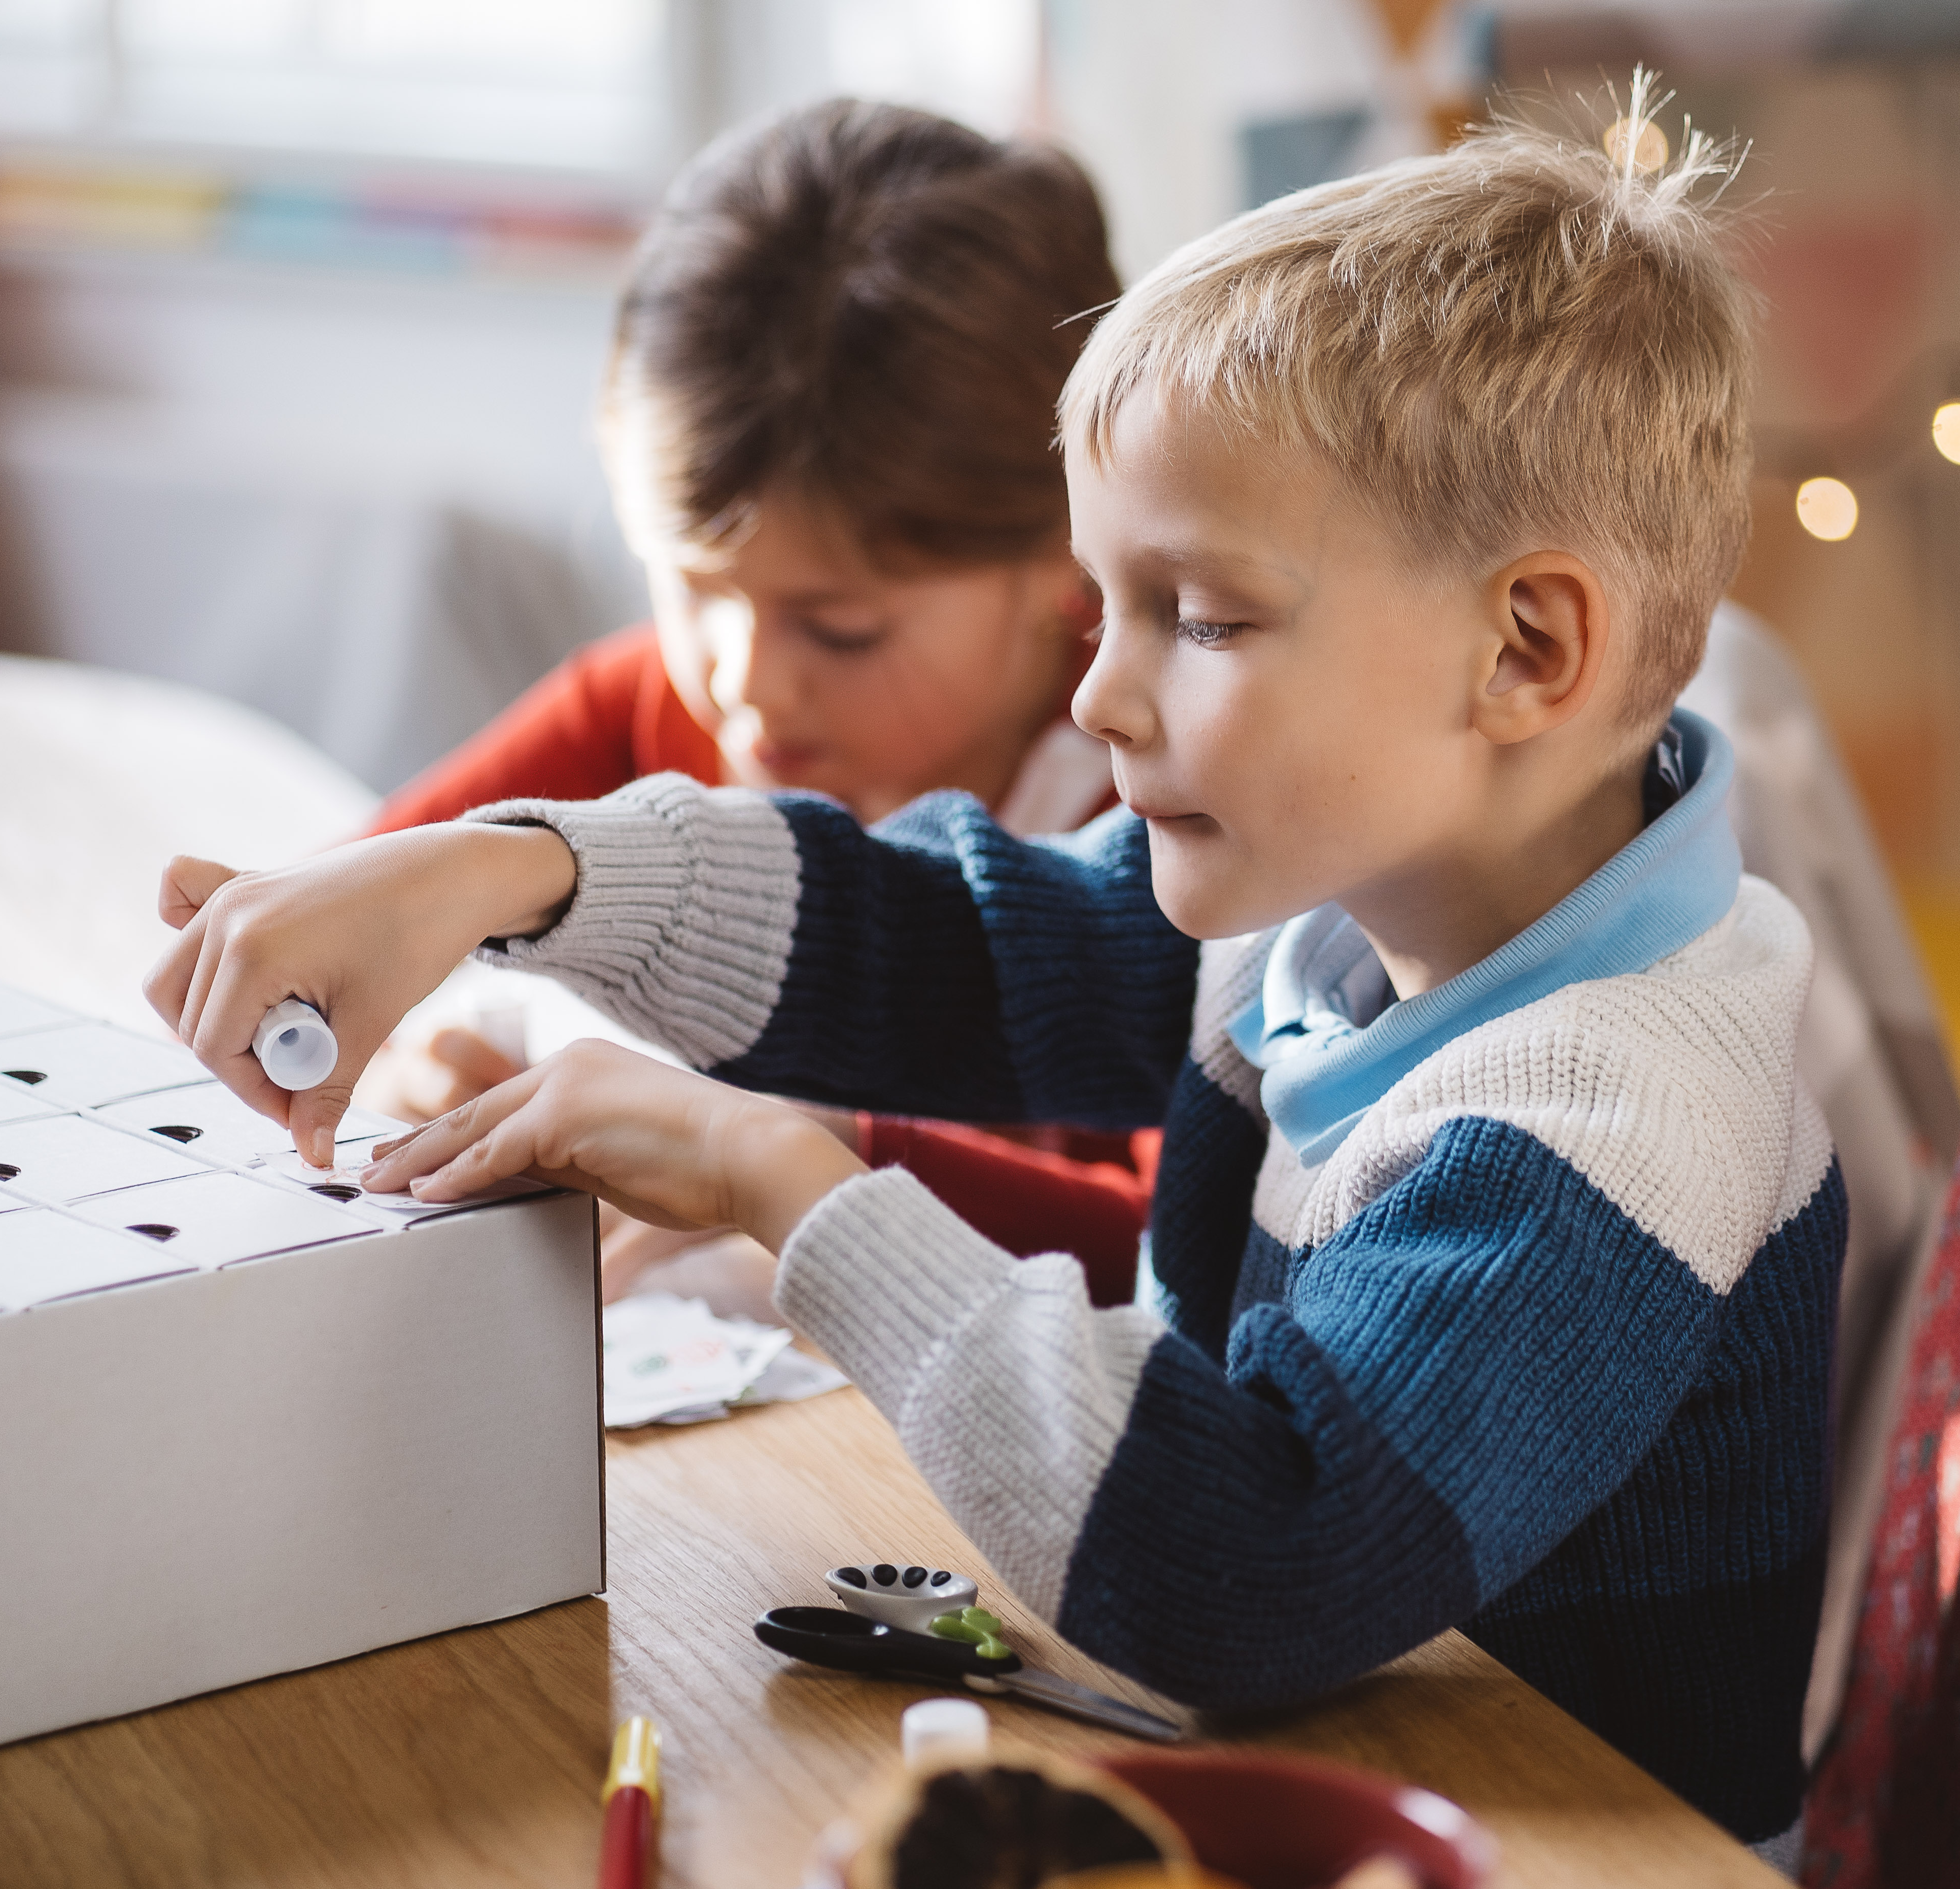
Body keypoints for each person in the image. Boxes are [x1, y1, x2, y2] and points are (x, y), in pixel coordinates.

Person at [149, 107, 1843, 1862]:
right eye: (1101, 605)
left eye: (1193, 615)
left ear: (1522, 652)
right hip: (1339, 1770)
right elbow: (948, 944)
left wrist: (777, 1181)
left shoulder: (1610, 1125)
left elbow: (1251, 1557)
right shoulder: (1343, 909)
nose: (1100, 697)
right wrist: (515, 867)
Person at [367, 100, 1151, 1303]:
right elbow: (372, 896)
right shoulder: (645, 705)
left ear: (1070, 542)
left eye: (840, 627)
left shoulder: (1176, 803)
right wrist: (424, 1044)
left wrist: (798, 1165)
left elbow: (1193, 1251)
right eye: (689, 586)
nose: (745, 677)